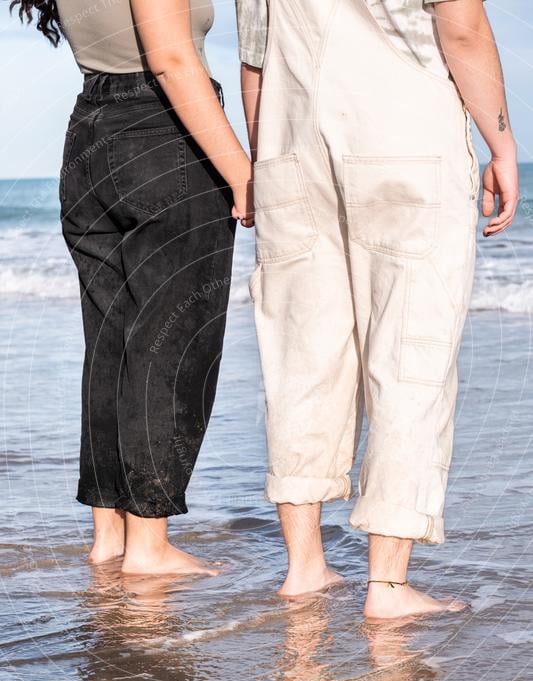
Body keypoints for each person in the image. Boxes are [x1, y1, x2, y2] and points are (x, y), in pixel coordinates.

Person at [237, 0, 519, 618]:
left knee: (299, 357)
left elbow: (254, 60)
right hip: (405, 141)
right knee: (409, 352)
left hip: (289, 148)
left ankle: (304, 567)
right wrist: (501, 142)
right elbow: (463, 26)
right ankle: (387, 587)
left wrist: (264, 163)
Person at [11, 0, 253, 576]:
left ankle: (110, 537)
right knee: (171, 342)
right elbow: (171, 58)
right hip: (163, 136)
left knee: (111, 345)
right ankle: (150, 546)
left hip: (90, 138)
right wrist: (242, 172)